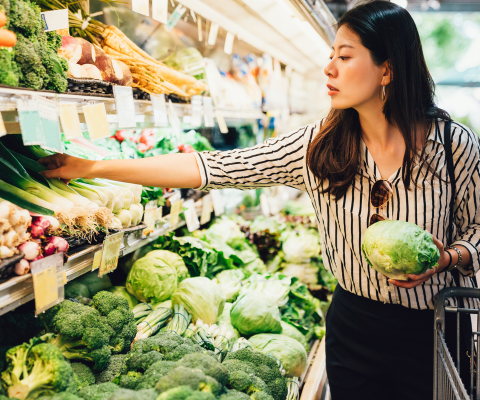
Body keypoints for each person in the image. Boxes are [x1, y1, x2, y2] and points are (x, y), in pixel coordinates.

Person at [38, 1, 480, 398]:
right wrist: (90, 167)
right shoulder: (319, 148)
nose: (329, 68)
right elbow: (211, 168)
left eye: (345, 57)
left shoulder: (453, 146)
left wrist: (449, 257)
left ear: (388, 69)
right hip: (354, 326)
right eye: (331, 55)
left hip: (434, 331)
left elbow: (478, 229)